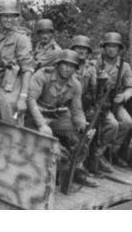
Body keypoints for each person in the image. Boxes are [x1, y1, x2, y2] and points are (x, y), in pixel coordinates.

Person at [26, 49, 97, 188]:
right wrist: (41, 124)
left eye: (71, 66)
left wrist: (83, 126)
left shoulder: (76, 85)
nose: (67, 68)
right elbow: (31, 100)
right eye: (64, 64)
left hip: (56, 115)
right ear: (57, 64)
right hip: (35, 115)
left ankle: (76, 171)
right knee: (46, 143)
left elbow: (77, 110)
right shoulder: (42, 75)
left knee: (79, 139)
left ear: (75, 69)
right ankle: (42, 175)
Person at [0, 0, 35, 124]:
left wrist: (22, 98)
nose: (9, 20)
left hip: (11, 84)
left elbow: (27, 69)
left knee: (11, 123)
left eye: (12, 16)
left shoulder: (21, 38)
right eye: (5, 16)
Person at [95, 32, 132, 168]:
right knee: (112, 124)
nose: (111, 49)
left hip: (115, 102)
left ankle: (112, 152)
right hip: (99, 100)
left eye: (115, 46)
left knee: (127, 122)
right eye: (109, 46)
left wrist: (123, 96)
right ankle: (98, 154)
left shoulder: (125, 66)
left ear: (119, 49)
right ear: (104, 47)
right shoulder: (96, 62)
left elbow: (130, 88)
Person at [69, 35, 98, 112]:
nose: (81, 51)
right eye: (78, 48)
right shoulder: (66, 65)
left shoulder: (91, 68)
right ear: (73, 49)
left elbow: (94, 89)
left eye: (84, 48)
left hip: (84, 103)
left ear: (88, 51)